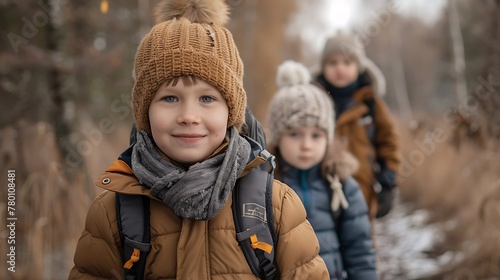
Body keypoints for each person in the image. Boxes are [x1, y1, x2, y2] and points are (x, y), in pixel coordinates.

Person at [68, 1, 329, 279]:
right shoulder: (112, 213)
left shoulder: (276, 205)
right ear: (145, 111)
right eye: (170, 98)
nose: (189, 116)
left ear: (231, 111)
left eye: (207, 98)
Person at [266, 60, 377, 280]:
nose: (306, 145)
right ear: (278, 139)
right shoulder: (265, 186)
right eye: (295, 134)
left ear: (328, 138)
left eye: (316, 135)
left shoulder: (341, 185)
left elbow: (359, 249)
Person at [315, 31, 401, 225]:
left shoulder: (370, 102)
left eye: (347, 62)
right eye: (333, 63)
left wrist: (389, 177)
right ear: (323, 67)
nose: (340, 68)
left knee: (360, 246)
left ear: (359, 66)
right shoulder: (314, 101)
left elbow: (388, 139)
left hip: (362, 191)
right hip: (320, 193)